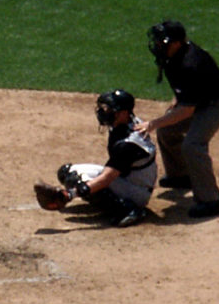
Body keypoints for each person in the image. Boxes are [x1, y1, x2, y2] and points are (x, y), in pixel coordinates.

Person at [136, 20, 219, 219]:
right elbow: (185, 92)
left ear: (176, 43)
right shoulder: (172, 56)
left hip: (218, 103)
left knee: (193, 145)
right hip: (201, 100)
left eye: (162, 42)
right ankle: (181, 176)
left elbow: (187, 111)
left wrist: (153, 123)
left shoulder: (190, 63)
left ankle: (211, 201)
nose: (158, 45)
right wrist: (176, 102)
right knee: (167, 131)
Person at [52, 89, 157, 228]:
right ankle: (115, 200)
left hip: (136, 192)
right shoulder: (127, 122)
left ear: (123, 113)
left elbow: (106, 178)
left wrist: (71, 194)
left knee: (76, 180)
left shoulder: (128, 144)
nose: (104, 112)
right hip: (129, 180)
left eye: (109, 109)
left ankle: (128, 209)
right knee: (66, 173)